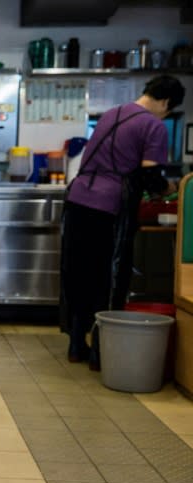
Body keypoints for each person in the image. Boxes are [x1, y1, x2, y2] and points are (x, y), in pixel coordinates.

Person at [60, 75, 185, 370]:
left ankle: (76, 344)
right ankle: (100, 353)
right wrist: (172, 188)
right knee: (108, 278)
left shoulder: (113, 113)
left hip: (78, 201)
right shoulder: (153, 125)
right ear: (166, 102)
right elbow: (151, 180)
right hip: (108, 208)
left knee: (78, 273)